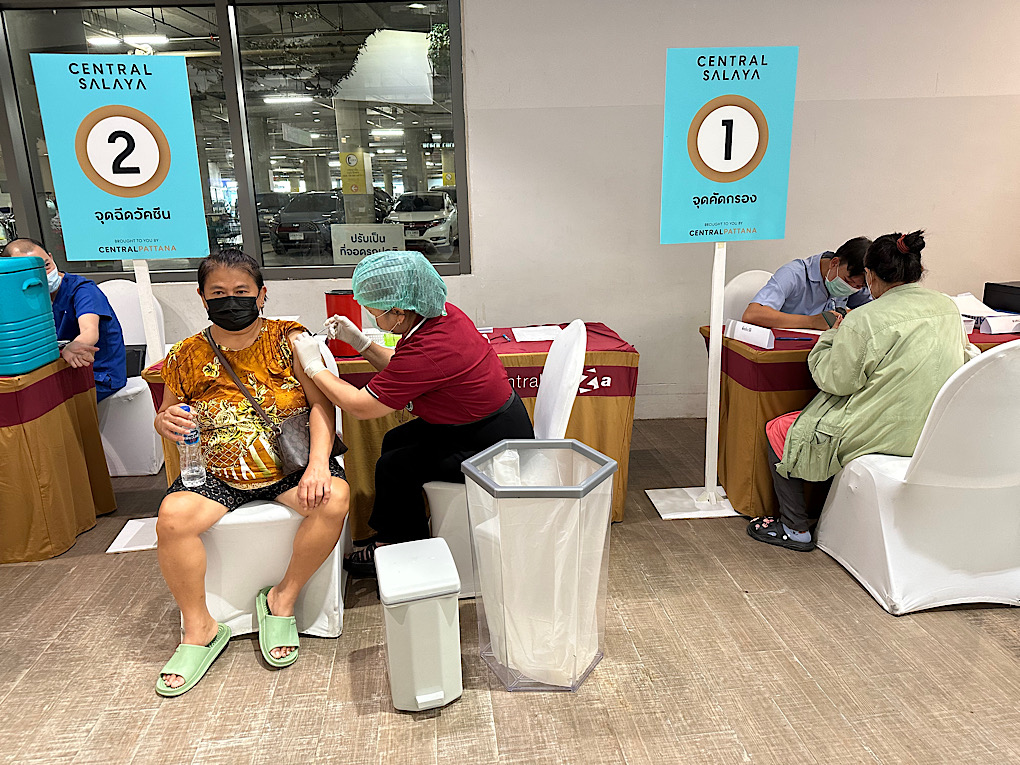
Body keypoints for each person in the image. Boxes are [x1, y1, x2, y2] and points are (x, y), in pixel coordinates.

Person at [152, 248, 348, 697]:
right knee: (172, 519)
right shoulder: (184, 354)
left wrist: (319, 465)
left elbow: (321, 405)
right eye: (218, 292)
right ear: (201, 297)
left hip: (287, 467)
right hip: (216, 473)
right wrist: (164, 422)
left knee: (334, 497)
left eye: (241, 291)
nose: (230, 300)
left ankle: (282, 599)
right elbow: (166, 413)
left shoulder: (289, 339)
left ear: (262, 294)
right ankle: (199, 627)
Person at [290, 250, 535, 577]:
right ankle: (405, 533)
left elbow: (361, 406)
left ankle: (399, 547)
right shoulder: (441, 315)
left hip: (496, 445)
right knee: (395, 440)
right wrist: (361, 343)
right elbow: (402, 368)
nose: (372, 318)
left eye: (373, 312)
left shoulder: (431, 346)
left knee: (394, 467)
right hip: (480, 422)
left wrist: (313, 367)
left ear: (399, 311)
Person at [747, 230, 979, 551]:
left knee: (780, 431)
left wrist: (831, 337)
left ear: (870, 276)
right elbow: (968, 359)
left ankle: (795, 527)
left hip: (884, 432)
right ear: (917, 270)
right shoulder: (948, 308)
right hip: (933, 429)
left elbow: (836, 381)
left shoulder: (865, 319)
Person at [1, 238, 126, 402]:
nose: (43, 275)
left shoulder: (83, 290)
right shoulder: (23, 298)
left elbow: (89, 330)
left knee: (33, 402)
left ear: (51, 257)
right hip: (55, 372)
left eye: (46, 265)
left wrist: (75, 346)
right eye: (29, 271)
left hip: (98, 375)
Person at [742, 236, 873, 330]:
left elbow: (875, 309)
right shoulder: (793, 274)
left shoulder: (857, 279)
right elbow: (752, 314)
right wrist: (812, 321)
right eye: (847, 281)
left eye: (858, 286)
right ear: (834, 263)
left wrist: (848, 315)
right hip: (784, 350)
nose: (850, 288)